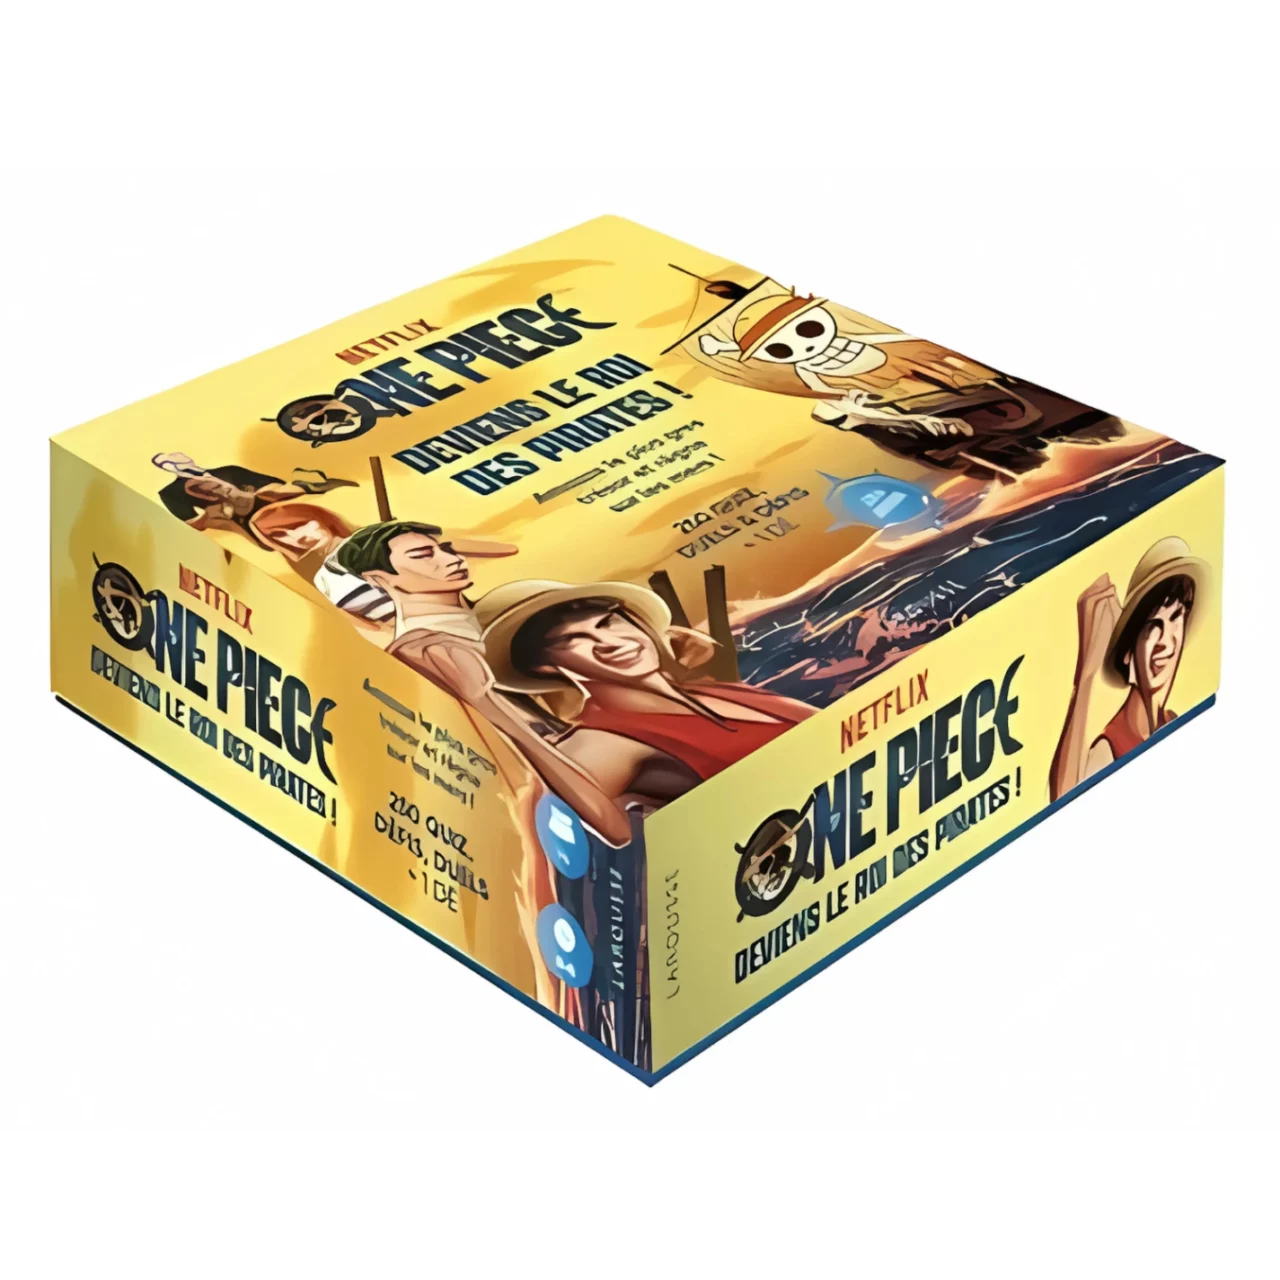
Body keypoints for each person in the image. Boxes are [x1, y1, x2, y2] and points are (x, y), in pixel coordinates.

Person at [335, 525, 635, 847]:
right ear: (380, 579)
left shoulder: (501, 622)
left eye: (446, 549)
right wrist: (602, 813)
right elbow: (523, 741)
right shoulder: (430, 651)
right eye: (423, 555)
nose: (451, 559)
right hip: (562, 792)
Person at [477, 580, 815, 814]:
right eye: (572, 640)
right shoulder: (599, 741)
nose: (611, 643)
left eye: (608, 623)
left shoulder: (719, 692)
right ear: (545, 667)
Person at [1050, 537, 1206, 801]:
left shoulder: (1173, 720)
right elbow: (1064, 797)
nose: (1165, 641)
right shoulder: (1110, 746)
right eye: (1152, 626)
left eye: (1175, 618)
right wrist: (1086, 674)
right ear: (1128, 653)